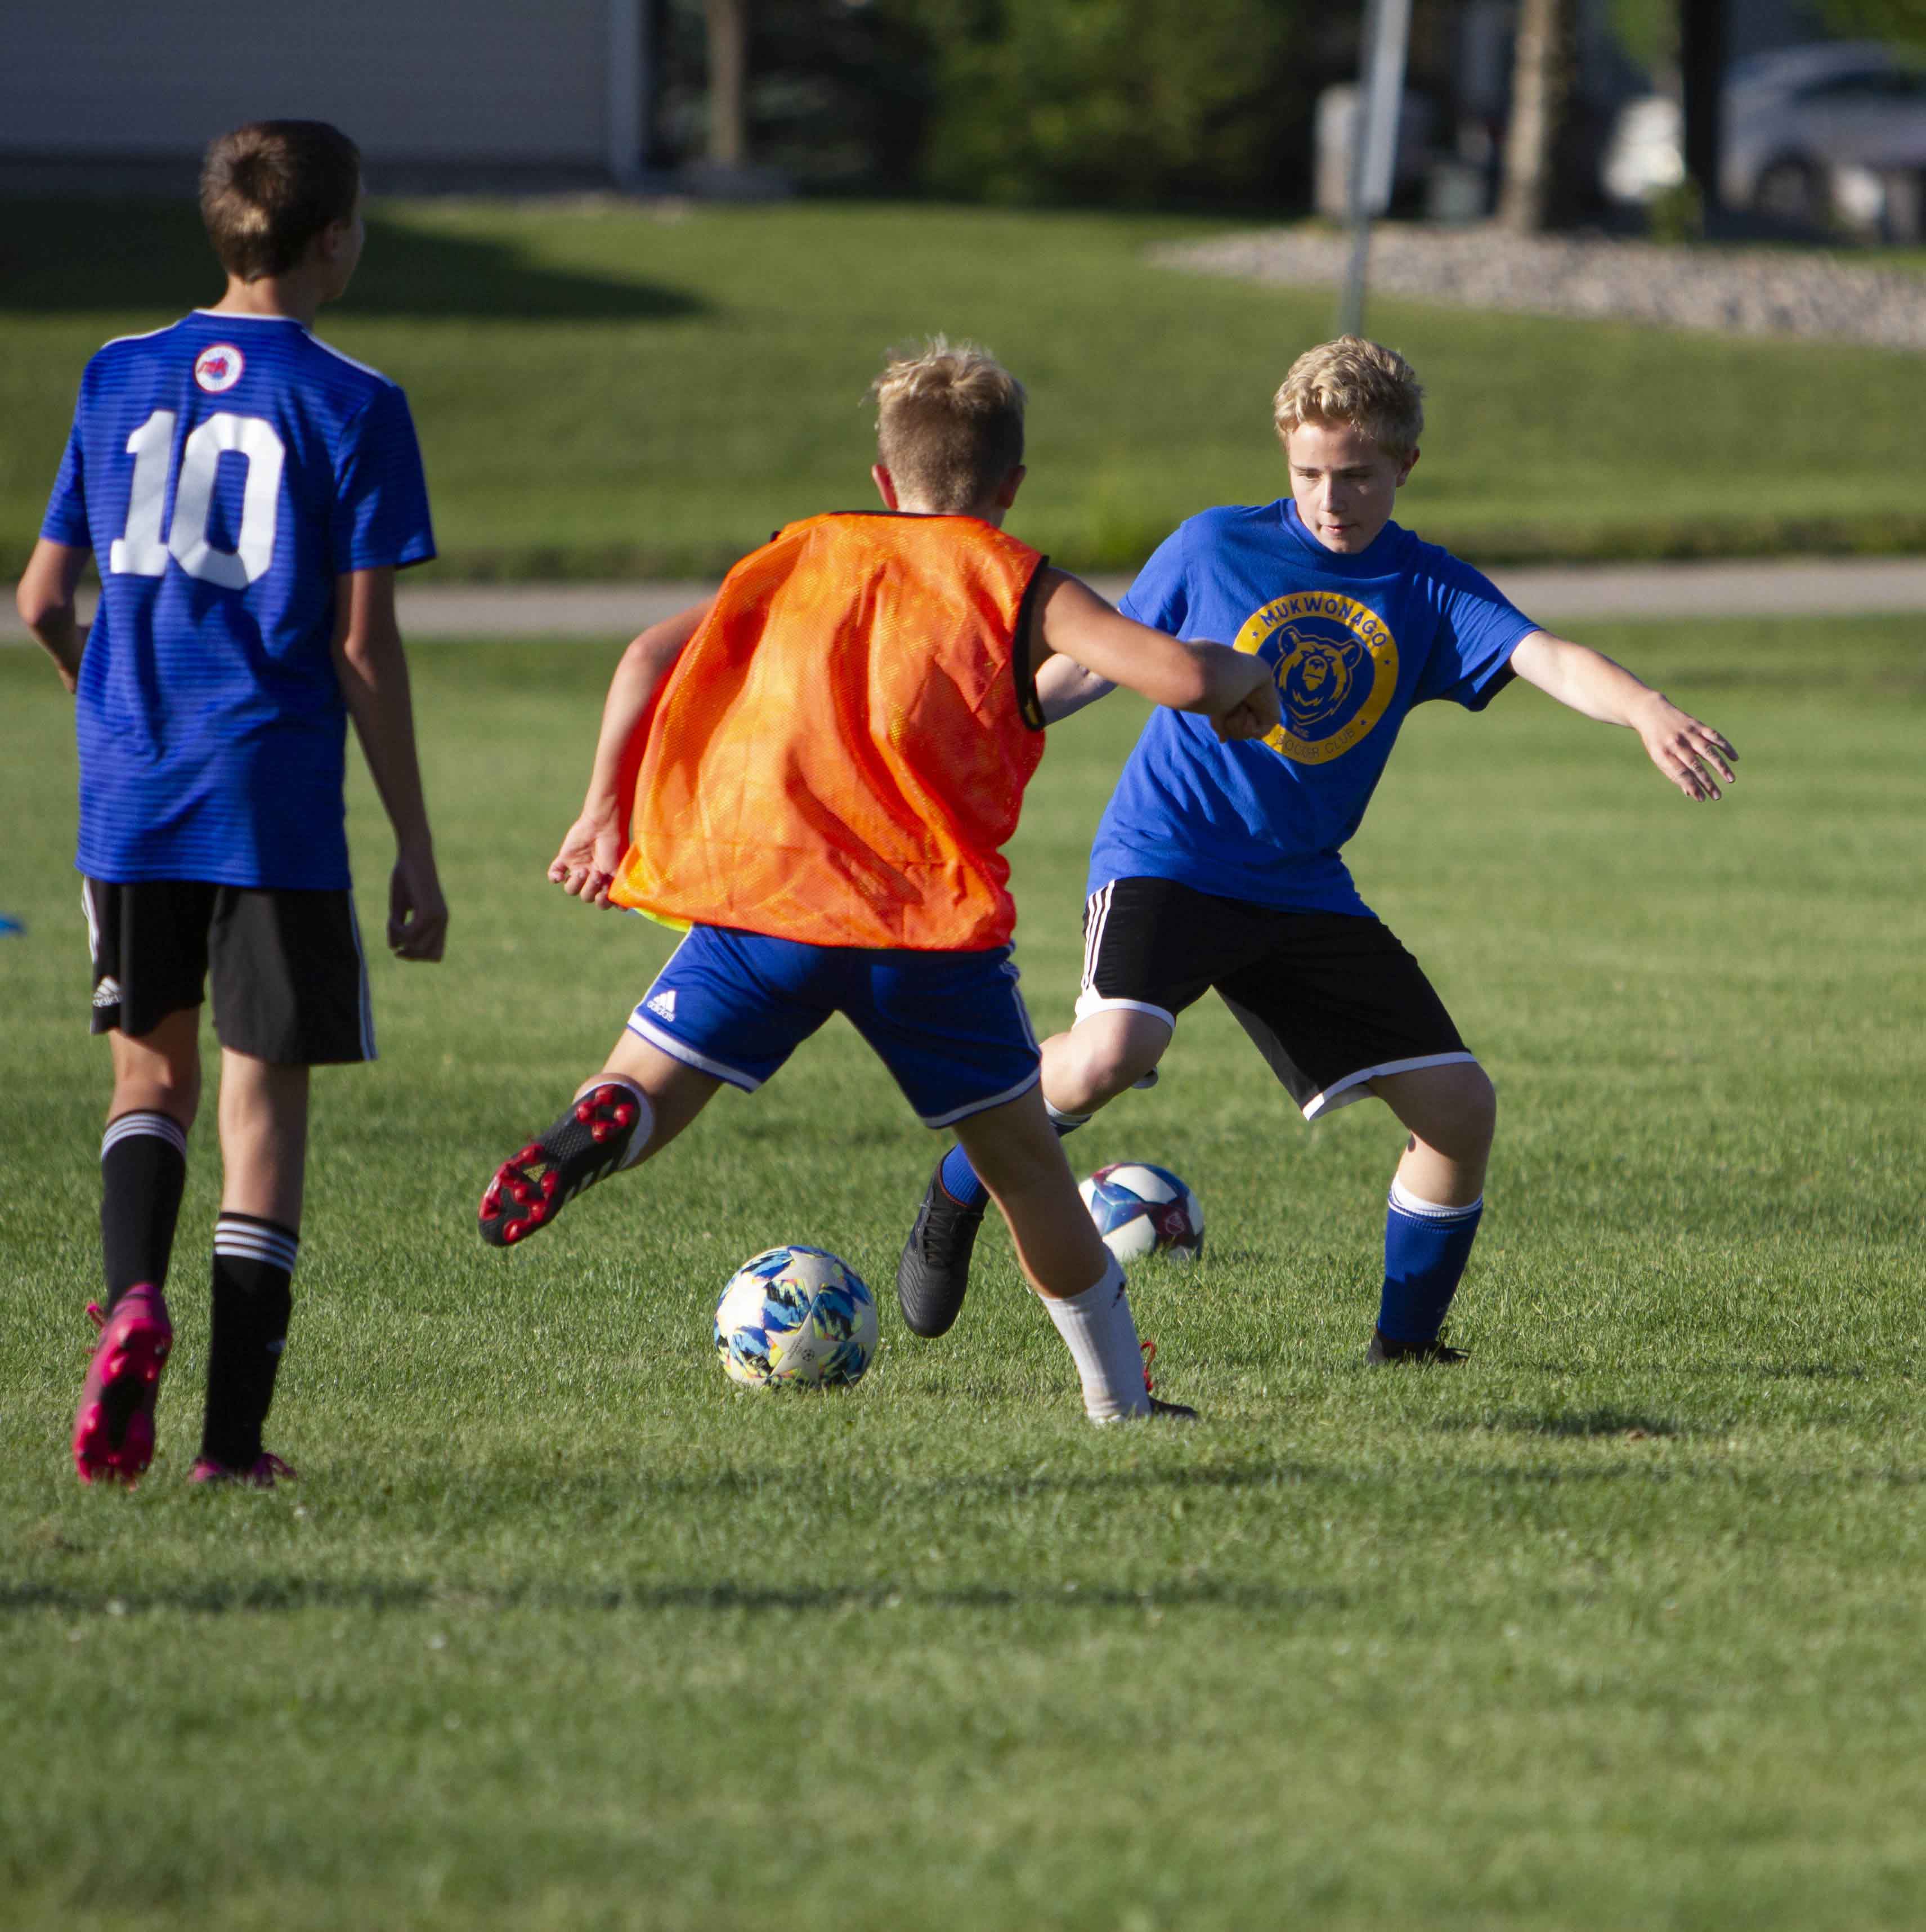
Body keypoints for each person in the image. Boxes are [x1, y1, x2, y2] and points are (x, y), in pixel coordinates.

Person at [474, 340, 1279, 1423]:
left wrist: (602, 810)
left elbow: (644, 659)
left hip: (764, 904)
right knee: (1026, 1171)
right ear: (1010, 488)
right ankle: (1120, 1404)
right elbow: (1176, 672)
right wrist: (1245, 678)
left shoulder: (800, 551)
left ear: (882, 481)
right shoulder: (1013, 575)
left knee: (650, 1088)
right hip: (923, 932)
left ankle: (599, 1123)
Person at [896, 335, 1738, 1365]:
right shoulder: (1211, 547)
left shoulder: (1424, 588)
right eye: (1307, 475)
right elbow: (1084, 670)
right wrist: (967, 736)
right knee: (1112, 1055)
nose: (1329, 501)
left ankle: (1407, 1353)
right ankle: (955, 1186)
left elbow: (1544, 654)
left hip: (1300, 886)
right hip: (1168, 854)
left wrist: (1644, 709)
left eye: (1356, 477)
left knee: (1458, 1107)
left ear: (1404, 468)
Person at [15, 120, 446, 1487]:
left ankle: (131, 1297)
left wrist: (115, 704)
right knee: (265, 1111)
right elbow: (361, 649)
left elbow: (39, 600)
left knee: (150, 1076)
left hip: (130, 794)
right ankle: (230, 1445)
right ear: (333, 238)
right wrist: (417, 850)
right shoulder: (353, 401)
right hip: (268, 799)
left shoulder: (113, 373)